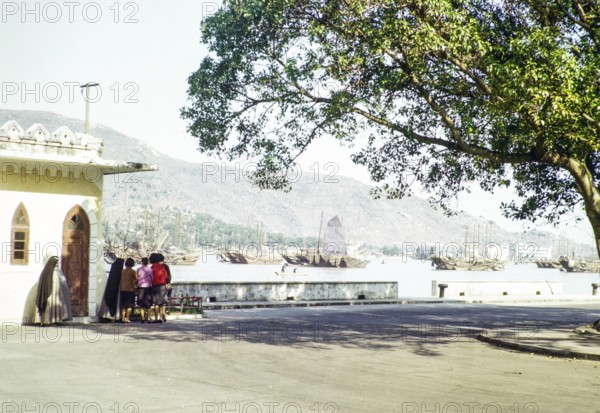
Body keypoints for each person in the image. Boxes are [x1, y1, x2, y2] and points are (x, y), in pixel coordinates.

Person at [149, 252, 169, 323]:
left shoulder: (151, 268)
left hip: (154, 286)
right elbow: (166, 276)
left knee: (156, 303)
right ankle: (161, 318)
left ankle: (156, 318)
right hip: (162, 286)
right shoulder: (162, 267)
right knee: (161, 303)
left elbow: (150, 278)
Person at [136, 257, 153, 323]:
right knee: (148, 303)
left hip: (140, 287)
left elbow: (137, 278)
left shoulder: (138, 269)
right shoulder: (150, 270)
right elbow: (152, 278)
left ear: (142, 262)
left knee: (141, 303)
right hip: (148, 287)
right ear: (147, 262)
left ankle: (142, 318)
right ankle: (148, 318)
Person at [120, 258, 137, 323]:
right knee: (130, 305)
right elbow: (136, 279)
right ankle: (127, 318)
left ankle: (122, 318)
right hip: (131, 289)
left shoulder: (122, 271)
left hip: (123, 289)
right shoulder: (133, 271)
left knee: (124, 305)